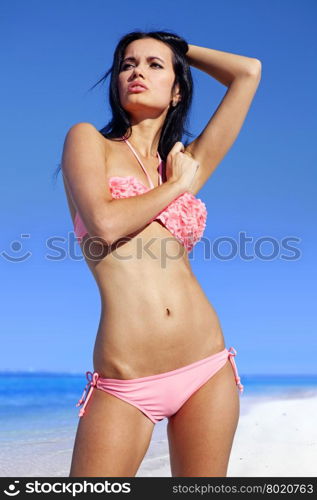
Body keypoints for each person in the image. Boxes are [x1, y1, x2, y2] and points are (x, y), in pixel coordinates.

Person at [58, 30, 261, 477]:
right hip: (127, 378)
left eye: (154, 64)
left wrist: (180, 48)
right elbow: (105, 223)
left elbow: (248, 72)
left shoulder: (184, 160)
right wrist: (176, 187)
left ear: (177, 90)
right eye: (127, 63)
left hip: (206, 367)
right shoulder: (89, 142)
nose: (136, 71)